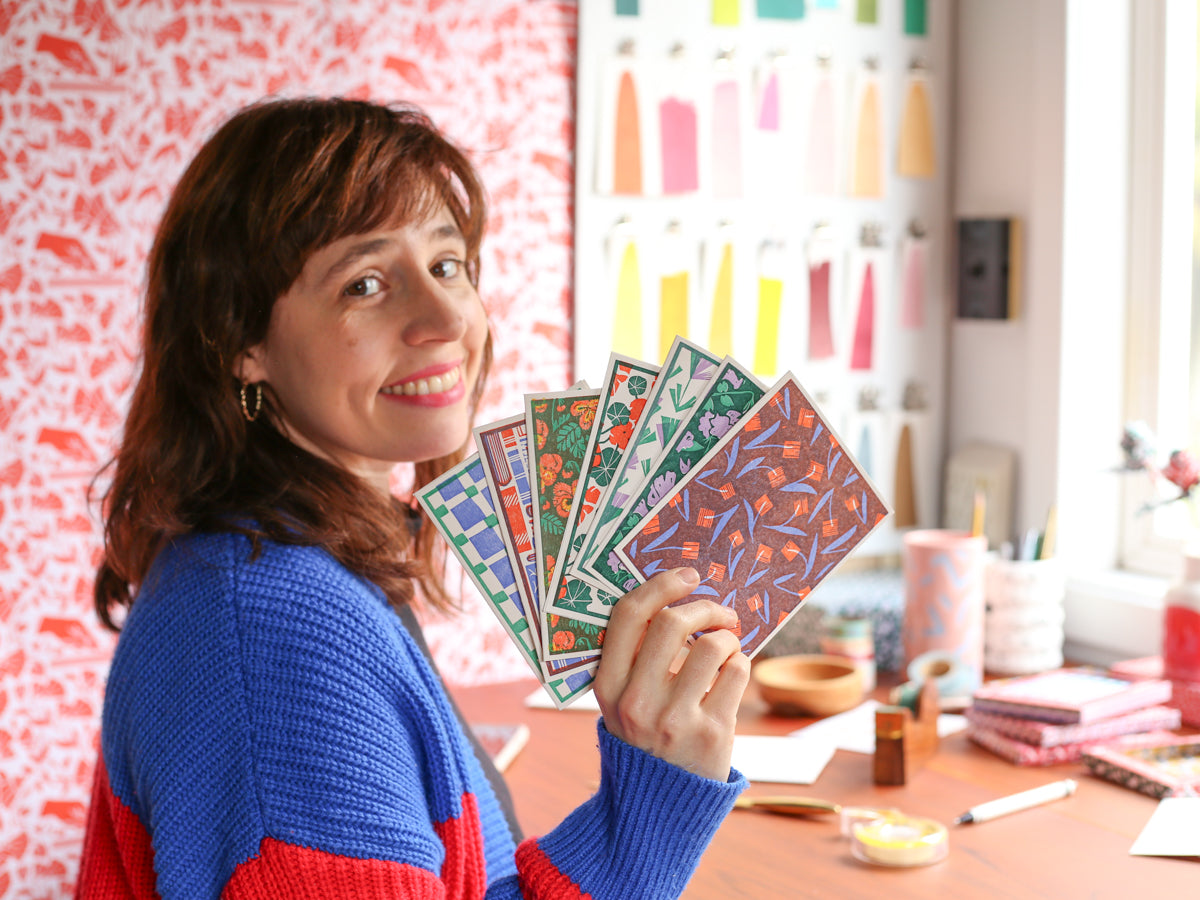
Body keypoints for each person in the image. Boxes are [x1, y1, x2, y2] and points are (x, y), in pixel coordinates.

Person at [74, 96, 751, 900]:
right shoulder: (276, 635)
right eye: (365, 283)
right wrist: (647, 806)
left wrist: (648, 797)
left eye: (447, 264)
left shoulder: (293, 564)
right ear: (242, 343)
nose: (444, 319)